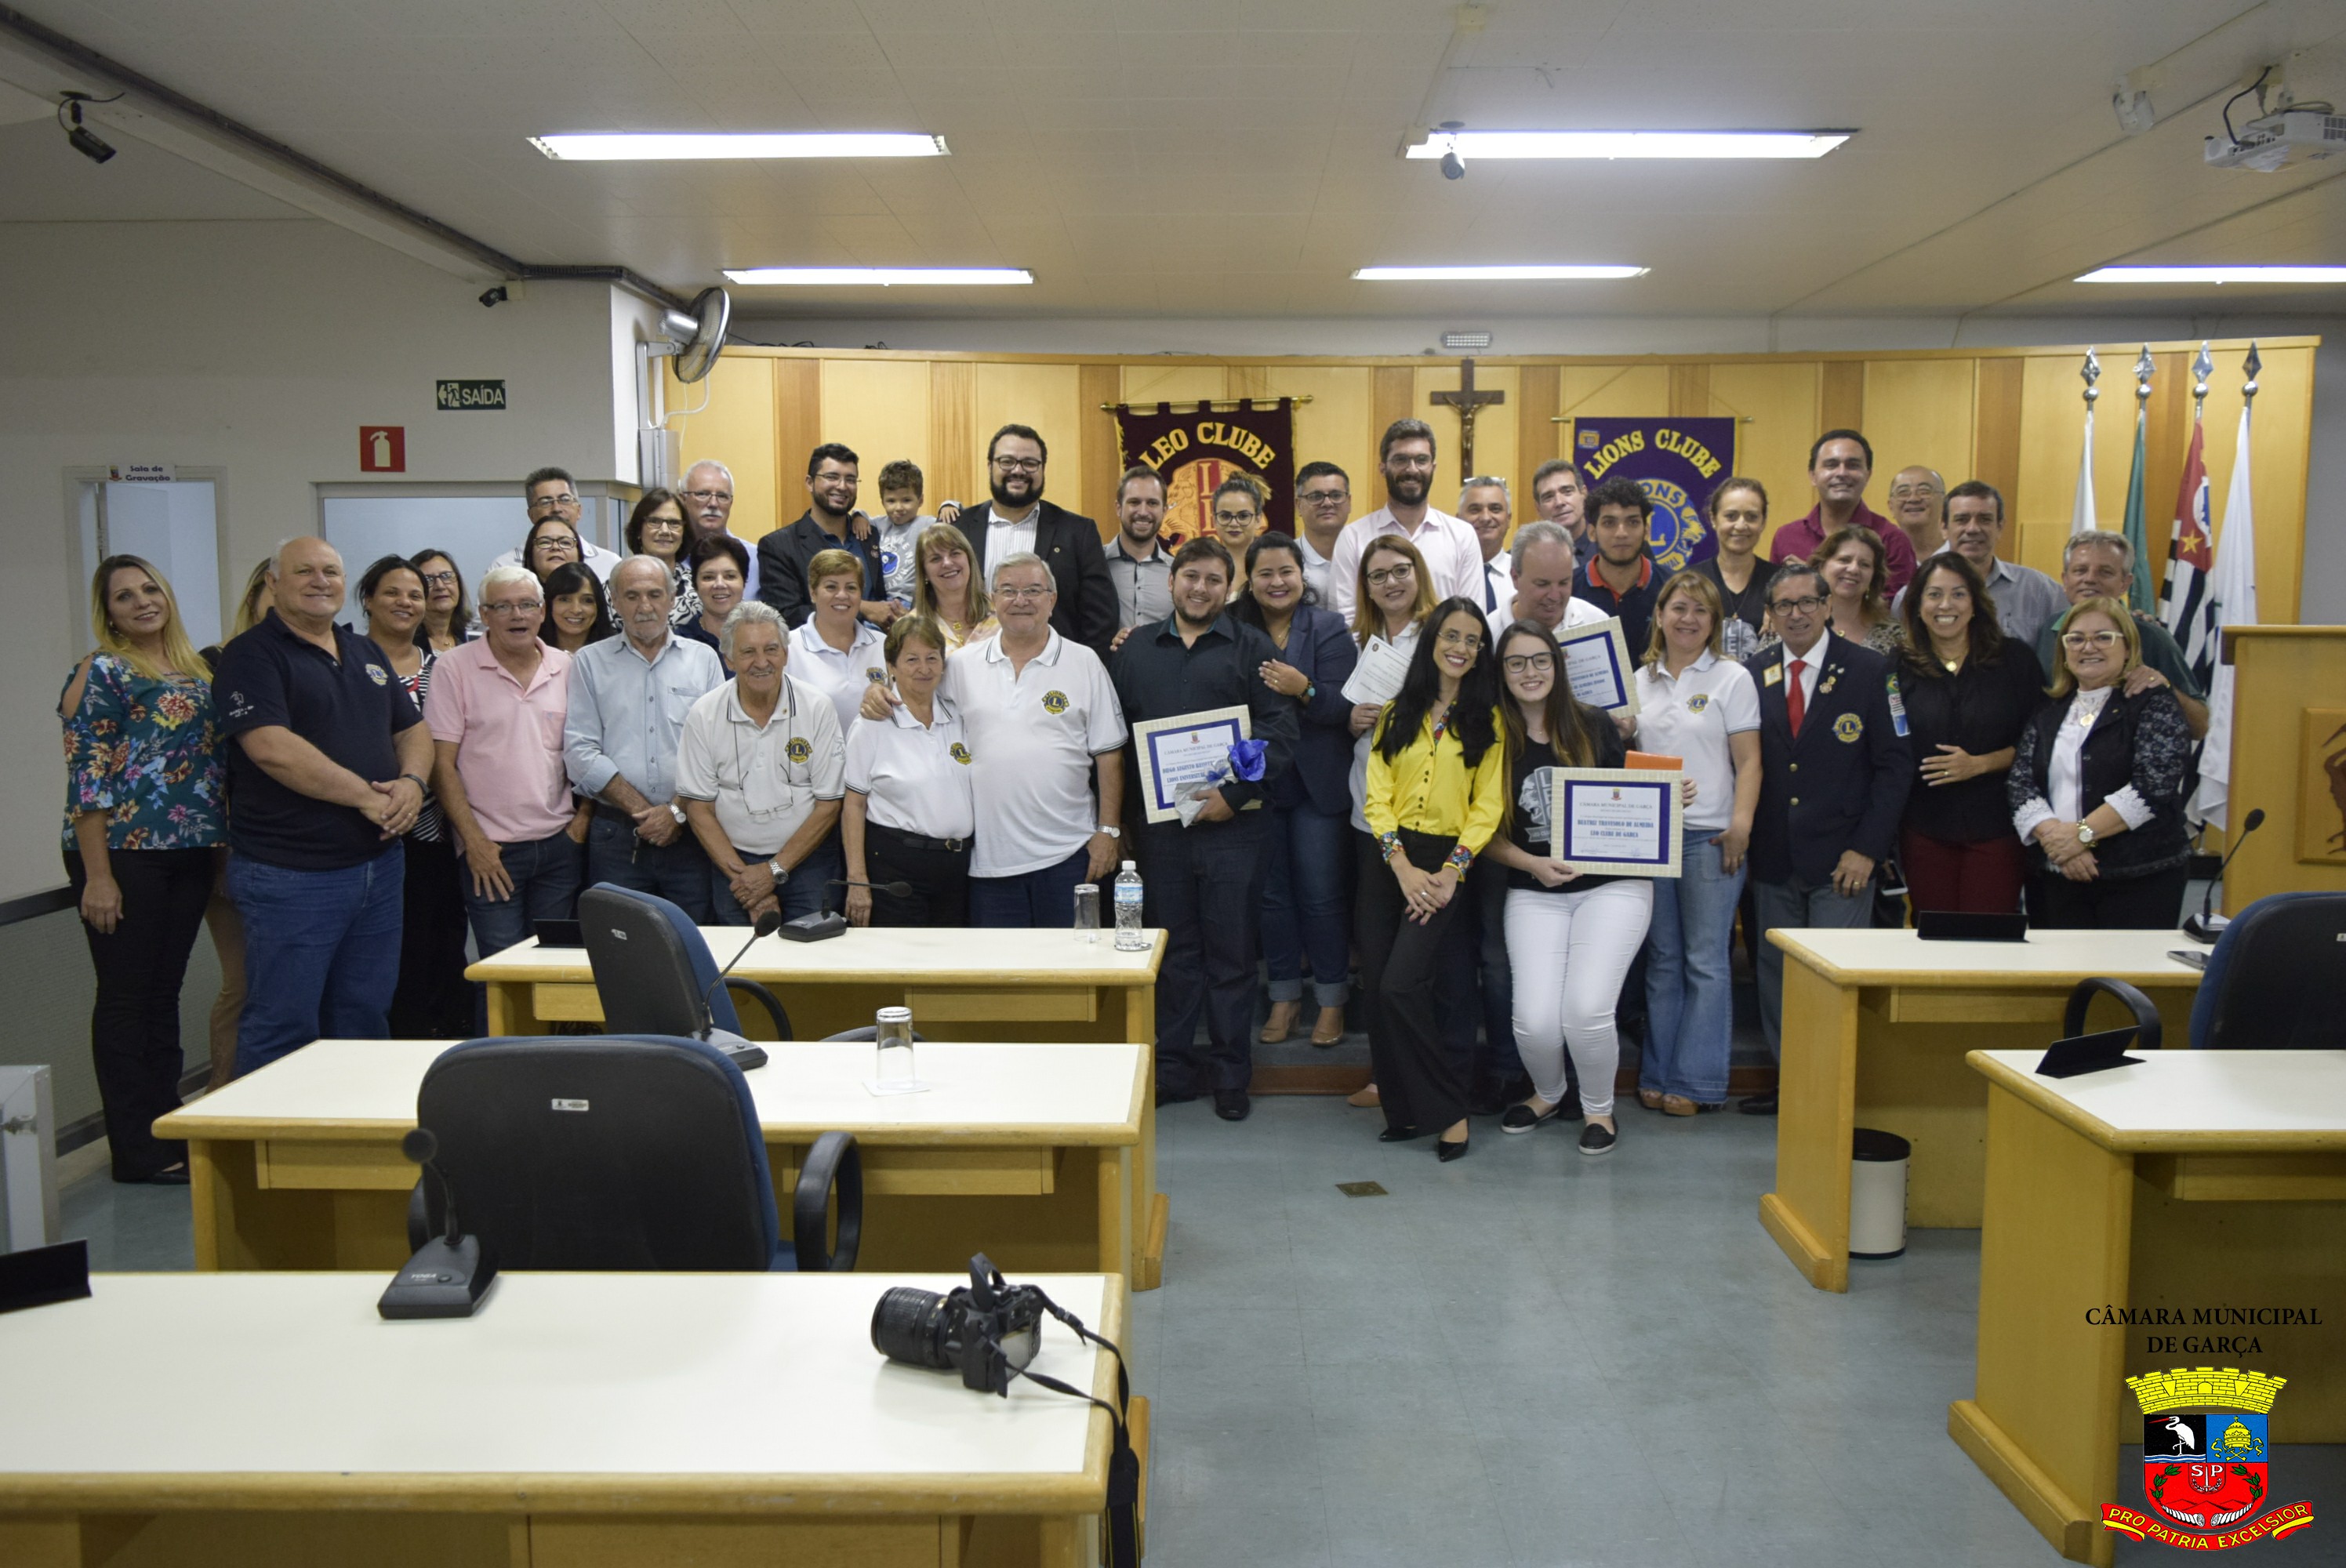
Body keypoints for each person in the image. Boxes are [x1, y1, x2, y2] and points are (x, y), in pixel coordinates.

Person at [212, 537, 432, 1077]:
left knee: (363, 1016)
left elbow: (412, 729)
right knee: (283, 1024)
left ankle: (351, 1129)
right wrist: (367, 798)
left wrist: (411, 783)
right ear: (273, 583)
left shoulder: (363, 651)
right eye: (304, 571)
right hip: (292, 875)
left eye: (331, 571)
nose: (320, 581)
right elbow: (271, 748)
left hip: (378, 869)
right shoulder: (250, 656)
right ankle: (272, 1134)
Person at [1111, 539, 1298, 1120]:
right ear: (1171, 582)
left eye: (1214, 580)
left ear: (1229, 588)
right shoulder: (1135, 649)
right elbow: (1115, 738)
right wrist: (1121, 822)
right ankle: (1172, 1071)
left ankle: (1230, 1077)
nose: (1201, 588)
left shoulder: (1253, 648)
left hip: (1234, 831)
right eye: (1191, 576)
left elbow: (1278, 731)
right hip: (1161, 833)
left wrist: (1233, 794)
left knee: (1232, 956)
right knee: (1174, 955)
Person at [59, 555, 223, 1182]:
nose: (143, 602)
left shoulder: (197, 670)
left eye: (150, 589)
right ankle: (135, 1151)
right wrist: (99, 877)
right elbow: (87, 774)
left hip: (189, 849)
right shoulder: (101, 669)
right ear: (109, 614)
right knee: (127, 998)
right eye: (125, 596)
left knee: (164, 993)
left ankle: (164, 1127)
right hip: (122, 852)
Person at [1740, 563, 1912, 1114]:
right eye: (1783, 605)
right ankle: (1793, 1090)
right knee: (1778, 979)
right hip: (1773, 856)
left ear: (1827, 606)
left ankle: (1831, 1098)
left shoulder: (1870, 669)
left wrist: (1868, 849)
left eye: (1807, 603)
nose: (1796, 614)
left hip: (1844, 858)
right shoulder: (1753, 671)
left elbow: (1895, 767)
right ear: (1770, 614)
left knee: (1833, 979)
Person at [1482, 619, 1651, 1155]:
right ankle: (1549, 1093)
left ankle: (1598, 1109)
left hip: (1613, 886)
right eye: (1516, 662)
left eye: (1541, 660)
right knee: (1533, 1021)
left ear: (1558, 665)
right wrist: (1530, 864)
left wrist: (1670, 797)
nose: (1530, 672)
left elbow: (1633, 799)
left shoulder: (1594, 724)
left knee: (1586, 1009)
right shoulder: (1489, 736)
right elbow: (1477, 830)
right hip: (1533, 889)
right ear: (1501, 672)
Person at [1358, 597, 1506, 1161]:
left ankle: (1449, 1112)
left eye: (1472, 640)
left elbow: (1487, 805)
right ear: (1432, 641)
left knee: (1405, 985)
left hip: (1447, 862)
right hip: (1390, 860)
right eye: (1451, 636)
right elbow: (1377, 795)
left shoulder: (1490, 719)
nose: (1460, 648)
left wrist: (1451, 871)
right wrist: (1399, 865)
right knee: (1379, 989)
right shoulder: (1398, 712)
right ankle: (1404, 1111)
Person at [1632, 572, 1761, 1116]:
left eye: (1701, 611)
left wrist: (1741, 825)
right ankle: (1659, 1073)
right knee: (1663, 960)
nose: (1688, 619)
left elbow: (1749, 762)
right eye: (1679, 608)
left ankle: (1697, 1082)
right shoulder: (1640, 680)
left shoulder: (1732, 678)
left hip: (1711, 836)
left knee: (1706, 962)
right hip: (1651, 838)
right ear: (1660, 614)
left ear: (1714, 623)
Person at [1234, 534, 1358, 1051]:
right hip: (1259, 782)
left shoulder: (1327, 628)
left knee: (1321, 897)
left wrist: (1301, 687)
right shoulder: (1234, 628)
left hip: (1316, 785)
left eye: (1286, 571)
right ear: (1250, 581)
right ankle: (1283, 997)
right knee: (1271, 898)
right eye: (1265, 573)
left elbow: (1344, 707)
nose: (1277, 582)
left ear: (1301, 576)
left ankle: (1331, 1000)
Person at [424, 566, 586, 957]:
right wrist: (473, 842)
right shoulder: (453, 668)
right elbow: (441, 765)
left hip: (559, 847)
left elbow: (590, 750)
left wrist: (580, 826)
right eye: (503, 607)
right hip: (491, 851)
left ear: (542, 612)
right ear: (484, 614)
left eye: (527, 605)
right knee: (501, 968)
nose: (518, 616)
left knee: (554, 966)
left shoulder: (567, 666)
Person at [2010, 598, 2192, 930]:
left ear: (2128, 647)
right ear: (2064, 651)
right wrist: (2058, 842)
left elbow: (2154, 785)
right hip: (2055, 874)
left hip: (2138, 879)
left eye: (2103, 637)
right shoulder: (2049, 709)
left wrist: (2081, 836)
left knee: (2126, 966)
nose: (2088, 647)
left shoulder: (2154, 703)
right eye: (2076, 639)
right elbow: (2021, 783)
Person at [563, 555, 727, 921]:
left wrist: (675, 812)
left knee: (696, 940)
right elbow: (580, 750)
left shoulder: (704, 659)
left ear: (672, 598)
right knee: (620, 941)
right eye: (632, 596)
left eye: (654, 594)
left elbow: (720, 749)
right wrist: (644, 811)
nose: (645, 606)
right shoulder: (589, 662)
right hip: (617, 835)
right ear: (615, 601)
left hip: (693, 833)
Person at [1341, 534, 1439, 1112]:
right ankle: (1384, 1076)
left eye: (1401, 570)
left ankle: (1429, 1081)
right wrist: (1350, 718)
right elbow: (1335, 709)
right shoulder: (1356, 640)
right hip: (1369, 820)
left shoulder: (1441, 635)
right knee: (1376, 957)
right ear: (1366, 587)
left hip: (1429, 823)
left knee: (1421, 966)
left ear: (1418, 572)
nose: (1391, 583)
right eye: (1378, 576)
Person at [677, 601, 847, 924]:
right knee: (738, 955)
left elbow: (829, 804)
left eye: (771, 649)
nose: (762, 662)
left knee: (814, 951)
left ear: (785, 654)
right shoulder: (704, 714)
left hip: (810, 862)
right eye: (748, 652)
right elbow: (698, 808)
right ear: (728, 659)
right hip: (733, 863)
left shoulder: (818, 707)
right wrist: (749, 882)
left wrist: (772, 872)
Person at [1895, 552, 2045, 916]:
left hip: (1997, 825)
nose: (1945, 605)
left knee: (1985, 933)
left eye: (1958, 594)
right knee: (1933, 932)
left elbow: (2041, 742)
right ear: (1917, 606)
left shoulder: (2015, 660)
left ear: (1976, 603)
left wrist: (1980, 764)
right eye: (1934, 594)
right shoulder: (1897, 666)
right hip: (1924, 826)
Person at [358, 556, 469, 1038]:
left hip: (438, 829)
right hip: (370, 826)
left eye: (415, 595)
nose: (405, 602)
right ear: (367, 599)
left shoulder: (443, 667)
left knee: (441, 942)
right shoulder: (348, 661)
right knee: (387, 954)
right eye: (392, 592)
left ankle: (442, 1046)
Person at [843, 614, 974, 927]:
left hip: (957, 870)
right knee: (902, 956)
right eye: (912, 659)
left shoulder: (959, 716)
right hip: (896, 869)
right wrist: (857, 879)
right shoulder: (872, 724)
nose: (924, 669)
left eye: (932, 658)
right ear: (891, 666)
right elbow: (853, 805)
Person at [948, 424, 1117, 654]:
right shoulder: (957, 528)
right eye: (1007, 461)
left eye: (1030, 463)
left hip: (1054, 668)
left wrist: (1077, 666)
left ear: (1043, 469)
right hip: (970, 667)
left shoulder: (1078, 532)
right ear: (989, 466)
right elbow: (931, 604)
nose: (1018, 471)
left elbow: (1100, 619)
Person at [2034, 531, 2210, 739]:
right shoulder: (2049, 629)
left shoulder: (2151, 636)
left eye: (2105, 572)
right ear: (2065, 580)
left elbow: (2200, 726)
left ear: (2125, 583)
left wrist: (2165, 686)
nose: (2089, 579)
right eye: (2080, 570)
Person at [1324, 419, 1481, 623]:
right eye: (1401, 460)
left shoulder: (1462, 535)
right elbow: (1346, 619)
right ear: (1383, 468)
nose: (1412, 469)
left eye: (1421, 460)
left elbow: (1470, 616)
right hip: (1373, 645)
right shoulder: (1353, 538)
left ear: (1433, 467)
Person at [1897, 481, 2065, 649]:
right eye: (1962, 520)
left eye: (1984, 520)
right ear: (1944, 528)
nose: (1973, 529)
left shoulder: (2042, 591)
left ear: (2000, 527)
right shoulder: (1912, 595)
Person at [1768, 430, 1919, 595]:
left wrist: (1815, 581)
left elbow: (1895, 606)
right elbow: (1775, 600)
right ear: (1813, 475)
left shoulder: (1891, 539)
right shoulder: (1786, 537)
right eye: (1831, 465)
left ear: (1868, 475)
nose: (1841, 473)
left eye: (1853, 465)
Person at [757, 442, 889, 631]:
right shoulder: (778, 546)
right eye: (832, 477)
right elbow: (786, 615)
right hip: (816, 648)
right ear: (810, 483)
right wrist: (861, 608)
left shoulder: (869, 536)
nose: (842, 486)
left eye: (851, 479)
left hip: (877, 646)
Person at [790, 547, 892, 732]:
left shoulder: (883, 645)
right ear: (813, 592)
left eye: (851, 587)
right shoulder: (789, 648)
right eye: (831, 587)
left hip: (876, 750)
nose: (842, 595)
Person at [1575, 477, 1665, 655]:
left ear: (1646, 531)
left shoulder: (1672, 587)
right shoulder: (1569, 590)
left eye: (1633, 522)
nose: (1621, 533)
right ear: (1592, 533)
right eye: (1609, 523)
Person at [1692, 477, 1776, 661]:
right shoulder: (1689, 582)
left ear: (1763, 522)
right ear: (1713, 519)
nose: (1741, 525)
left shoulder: (1781, 584)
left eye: (1752, 517)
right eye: (1731, 516)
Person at [488, 468, 623, 581]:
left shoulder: (609, 563)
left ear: (579, 510)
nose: (557, 508)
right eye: (546, 502)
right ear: (531, 515)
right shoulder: (503, 566)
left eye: (565, 500)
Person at [1492, 521, 1609, 641]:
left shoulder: (1598, 624)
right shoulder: (1490, 633)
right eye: (1543, 584)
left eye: (1563, 583)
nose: (1554, 596)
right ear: (1515, 578)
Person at [1798, 525, 1905, 655]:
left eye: (1864, 564)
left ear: (1874, 576)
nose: (1854, 569)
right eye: (1844, 560)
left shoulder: (1895, 636)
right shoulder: (1792, 624)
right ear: (1821, 566)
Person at [1104, 465, 1177, 630]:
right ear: (1118, 508)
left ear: (1164, 511)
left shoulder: (1178, 572)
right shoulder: (1094, 564)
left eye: (1152, 503)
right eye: (1134, 502)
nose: (1143, 512)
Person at [678, 459, 762, 599]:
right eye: (703, 494)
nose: (713, 503)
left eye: (722, 496)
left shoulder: (757, 560)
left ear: (731, 503)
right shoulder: (671, 558)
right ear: (683, 500)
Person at [911, 522, 998, 651]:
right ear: (924, 573)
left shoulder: (1002, 609)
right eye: (936, 559)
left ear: (969, 559)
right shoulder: (911, 628)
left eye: (955, 553)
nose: (947, 563)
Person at [674, 533, 750, 666]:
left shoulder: (763, 637)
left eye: (730, 576)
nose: (719, 584)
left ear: (744, 582)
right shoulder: (678, 644)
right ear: (695, 585)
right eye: (708, 577)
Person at [873, 459, 939, 612]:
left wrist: (950, 505)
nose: (899, 507)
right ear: (882, 501)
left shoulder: (926, 524)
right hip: (879, 600)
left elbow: (956, 521)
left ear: (920, 500)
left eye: (906, 500)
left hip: (910, 600)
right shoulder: (878, 525)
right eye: (891, 501)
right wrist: (858, 516)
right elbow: (857, 515)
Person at [624, 487, 697, 620]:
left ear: (684, 532)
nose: (665, 531)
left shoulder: (699, 588)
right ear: (638, 530)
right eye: (654, 522)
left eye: (674, 523)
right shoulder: (617, 586)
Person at [1292, 460, 1351, 603]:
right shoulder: (1286, 561)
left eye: (1336, 495)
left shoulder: (1367, 555)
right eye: (1316, 497)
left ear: (1349, 502)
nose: (1327, 503)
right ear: (1298, 505)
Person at [1459, 476, 1516, 618]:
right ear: (1458, 520)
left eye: (1495, 509)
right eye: (1475, 510)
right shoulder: (1447, 573)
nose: (1485, 518)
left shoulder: (1524, 574)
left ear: (1509, 519)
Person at [1531, 459, 1598, 569]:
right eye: (1548, 497)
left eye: (1567, 492)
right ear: (1538, 508)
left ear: (1584, 494)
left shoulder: (1607, 552)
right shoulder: (1522, 558)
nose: (1559, 502)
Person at [539, 561, 614, 655]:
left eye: (587, 600)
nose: (576, 610)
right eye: (564, 600)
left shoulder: (617, 653)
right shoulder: (531, 651)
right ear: (548, 604)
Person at [1208, 474, 1268, 586]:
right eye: (1225, 516)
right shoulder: (1203, 565)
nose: (1234, 523)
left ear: (1258, 520)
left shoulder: (1273, 563)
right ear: (1214, 520)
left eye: (1243, 516)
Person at [412, 550, 474, 653]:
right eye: (428, 579)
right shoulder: (406, 642)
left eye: (446, 576)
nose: (440, 586)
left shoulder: (470, 640)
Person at [1886, 466, 1947, 561]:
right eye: (1903, 492)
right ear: (1891, 507)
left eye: (1924, 491)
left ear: (1944, 502)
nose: (1913, 499)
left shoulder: (1960, 552)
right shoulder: (1880, 557)